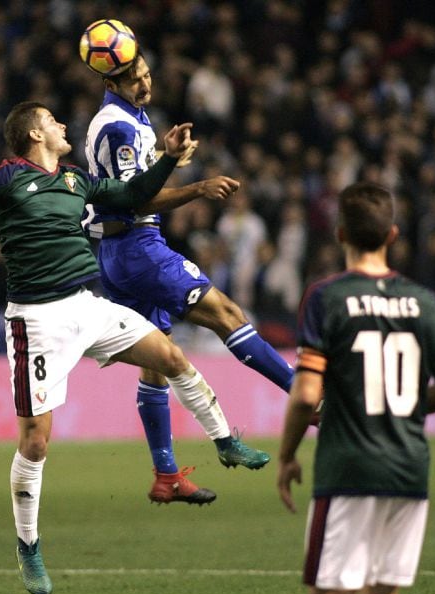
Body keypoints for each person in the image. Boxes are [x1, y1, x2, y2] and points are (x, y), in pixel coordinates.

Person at [0, 101, 241, 594]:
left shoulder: (76, 179)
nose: (63, 125)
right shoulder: (6, 178)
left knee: (169, 357)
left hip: (87, 305)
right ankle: (29, 545)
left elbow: (133, 194)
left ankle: (226, 441)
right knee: (36, 442)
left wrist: (167, 158)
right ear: (35, 133)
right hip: (36, 322)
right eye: (53, 120)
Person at [83, 50, 295, 484]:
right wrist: (197, 186)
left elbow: (135, 182)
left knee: (157, 361)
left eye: (146, 74)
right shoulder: (119, 126)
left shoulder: (133, 116)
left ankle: (166, 474)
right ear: (110, 84)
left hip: (117, 252)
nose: (145, 84)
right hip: (138, 247)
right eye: (134, 79)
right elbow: (135, 199)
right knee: (229, 315)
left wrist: (167, 157)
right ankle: (308, 399)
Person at [276, 182, 435, 594]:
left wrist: (287, 454)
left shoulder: (327, 297)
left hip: (348, 466)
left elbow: (307, 395)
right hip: (409, 468)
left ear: (340, 233)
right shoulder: (426, 302)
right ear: (393, 235)